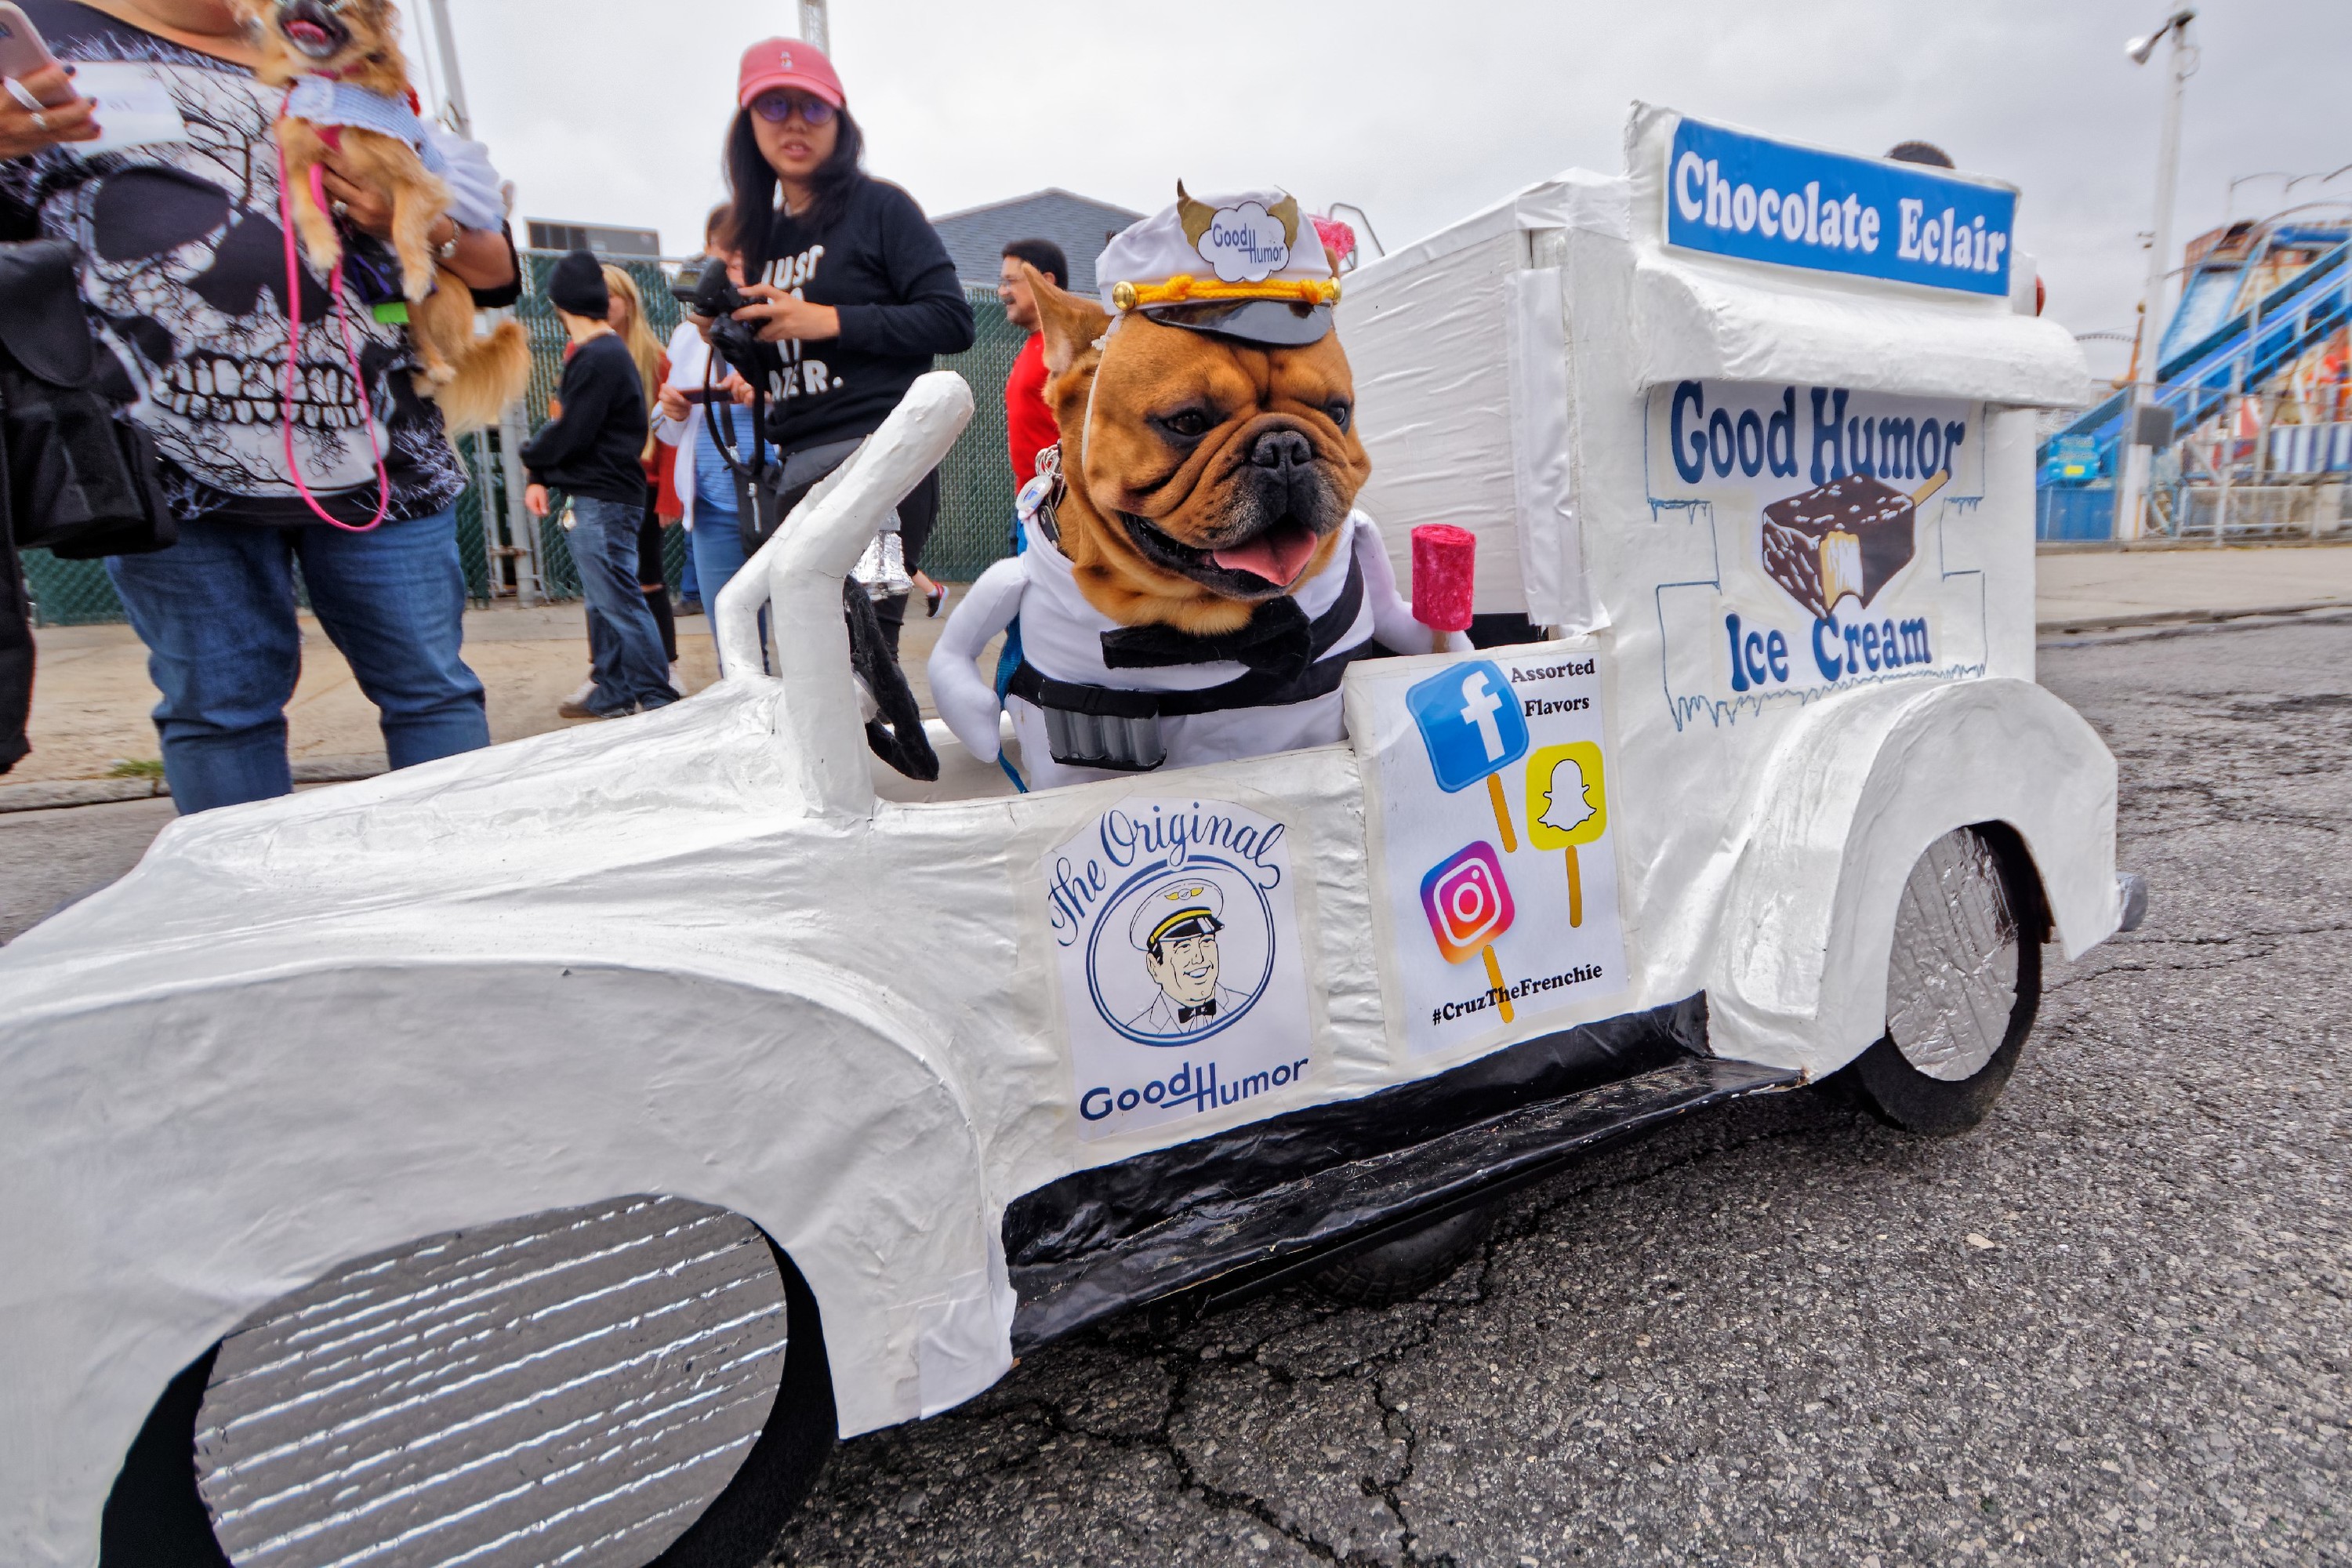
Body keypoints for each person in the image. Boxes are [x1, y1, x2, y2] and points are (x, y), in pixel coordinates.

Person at [0, 0, 521, 814]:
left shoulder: (338, 52)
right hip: (167, 462)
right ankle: (249, 925)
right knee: (221, 711)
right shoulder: (45, 34)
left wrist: (412, 219)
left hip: (385, 450)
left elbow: (495, 271)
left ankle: (461, 908)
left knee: (433, 690)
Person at [708, 37, 975, 655]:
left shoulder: (880, 208)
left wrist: (826, 319)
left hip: (877, 461)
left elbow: (952, 321)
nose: (795, 121)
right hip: (797, 462)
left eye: (813, 106)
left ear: (840, 120)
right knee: (806, 657)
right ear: (748, 125)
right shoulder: (763, 234)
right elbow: (785, 363)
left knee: (862, 655)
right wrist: (737, 339)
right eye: (773, 106)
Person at [521, 252, 671, 720]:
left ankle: (656, 695)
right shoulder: (601, 354)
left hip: (605, 497)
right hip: (606, 493)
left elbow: (572, 431)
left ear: (558, 303)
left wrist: (532, 459)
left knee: (618, 599)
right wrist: (543, 472)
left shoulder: (598, 357)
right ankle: (613, 688)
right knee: (607, 599)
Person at [656, 205, 760, 652]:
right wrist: (670, 411)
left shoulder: (784, 321)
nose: (733, 273)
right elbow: (667, 433)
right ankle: (747, 722)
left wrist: (767, 386)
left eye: (744, 262)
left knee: (802, 634)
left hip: (781, 499)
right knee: (733, 643)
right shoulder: (684, 337)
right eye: (726, 260)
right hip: (714, 507)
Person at [601, 263, 681, 683]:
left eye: (610, 294)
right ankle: (606, 673)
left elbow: (671, 436)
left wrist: (669, 494)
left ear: (629, 303)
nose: (601, 302)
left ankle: (665, 665)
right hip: (600, 487)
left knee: (648, 576)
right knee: (602, 584)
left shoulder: (657, 358)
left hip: (644, 488)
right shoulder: (579, 351)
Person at [998, 238, 1067, 498]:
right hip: (1031, 499)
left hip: (1058, 504)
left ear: (1045, 281)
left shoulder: (1069, 347)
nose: (1002, 292)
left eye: (1011, 281)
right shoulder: (1036, 344)